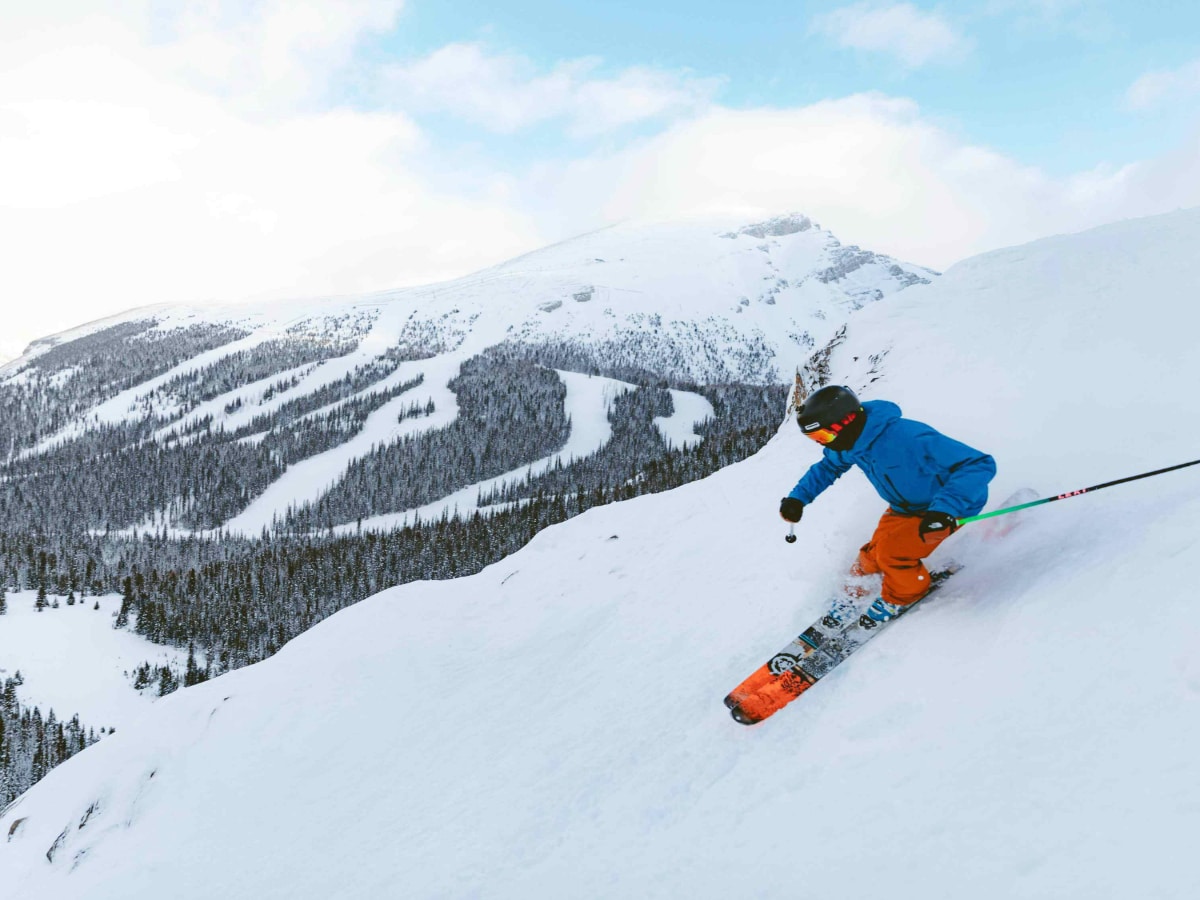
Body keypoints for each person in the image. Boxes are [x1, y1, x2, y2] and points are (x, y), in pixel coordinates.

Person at [780, 385, 996, 623]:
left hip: (947, 507)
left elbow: (978, 464)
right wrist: (798, 498)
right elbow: (828, 467)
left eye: (824, 436)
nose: (823, 444)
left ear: (845, 422)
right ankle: (854, 593)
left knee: (893, 554)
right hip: (904, 508)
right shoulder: (850, 444)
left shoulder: (908, 436)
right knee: (870, 557)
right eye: (815, 438)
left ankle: (901, 597)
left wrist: (944, 509)